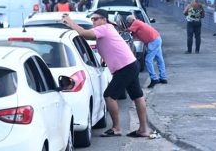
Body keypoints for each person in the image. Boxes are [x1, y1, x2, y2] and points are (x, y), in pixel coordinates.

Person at [62, 9, 152, 138]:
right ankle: (143, 130)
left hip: (125, 67)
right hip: (130, 65)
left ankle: (116, 128)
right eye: (92, 19)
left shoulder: (104, 28)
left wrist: (71, 22)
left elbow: (84, 34)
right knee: (137, 96)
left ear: (104, 19)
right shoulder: (107, 29)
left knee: (109, 96)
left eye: (96, 19)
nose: (93, 21)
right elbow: (109, 46)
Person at [126, 15, 167, 88]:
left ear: (131, 20)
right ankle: (163, 77)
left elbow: (128, 31)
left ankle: (154, 78)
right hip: (156, 39)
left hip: (153, 41)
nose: (128, 24)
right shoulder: (138, 24)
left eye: (128, 22)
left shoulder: (136, 22)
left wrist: (123, 29)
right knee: (159, 59)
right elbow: (133, 35)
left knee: (148, 60)